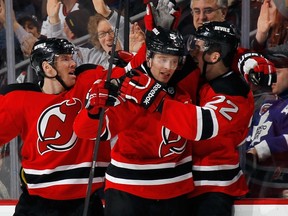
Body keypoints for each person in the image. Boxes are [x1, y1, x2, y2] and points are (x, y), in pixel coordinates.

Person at [117, 21, 254, 216]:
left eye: (198, 47)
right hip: (183, 183)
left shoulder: (235, 92)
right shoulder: (201, 72)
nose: (192, 53)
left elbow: (200, 126)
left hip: (213, 189)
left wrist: (154, 97)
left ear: (214, 55)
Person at [73, 26, 194, 216]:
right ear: (149, 57)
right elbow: (86, 131)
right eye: (162, 59)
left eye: (173, 61)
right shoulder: (128, 90)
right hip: (128, 192)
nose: (168, 67)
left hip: (174, 191)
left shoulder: (182, 90)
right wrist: (94, 109)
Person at [0, 38, 112, 215]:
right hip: (37, 205)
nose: (73, 63)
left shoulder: (87, 82)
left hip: (85, 203)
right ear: (47, 67)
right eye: (65, 59)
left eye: (72, 57)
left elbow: (124, 75)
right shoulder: (21, 98)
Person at [244, 51, 288, 198]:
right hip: (255, 187)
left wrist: (259, 150)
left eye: (278, 72)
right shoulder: (264, 104)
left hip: (280, 190)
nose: (272, 78)